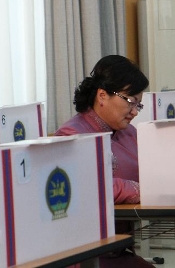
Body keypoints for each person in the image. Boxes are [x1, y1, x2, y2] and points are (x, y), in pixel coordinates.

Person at [55, 55, 154, 268]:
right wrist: (139, 189)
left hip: (116, 246)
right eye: (130, 101)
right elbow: (89, 186)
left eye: (139, 105)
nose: (135, 112)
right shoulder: (72, 135)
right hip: (84, 254)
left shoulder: (128, 134)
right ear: (102, 95)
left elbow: (150, 171)